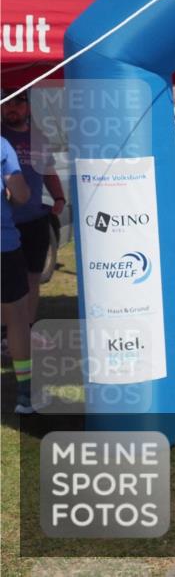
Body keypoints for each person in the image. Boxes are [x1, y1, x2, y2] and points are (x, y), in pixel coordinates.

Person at [1, 89, 66, 327]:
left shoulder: (39, 138)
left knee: (32, 279)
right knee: (6, 284)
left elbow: (48, 171)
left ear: (28, 107)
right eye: (6, 102)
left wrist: (59, 198)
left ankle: (27, 329)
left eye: (18, 101)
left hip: (35, 221)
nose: (11, 107)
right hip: (6, 225)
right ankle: (6, 333)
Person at [2, 136, 35, 413]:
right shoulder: (2, 146)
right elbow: (22, 194)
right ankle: (25, 394)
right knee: (17, 318)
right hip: (3, 247)